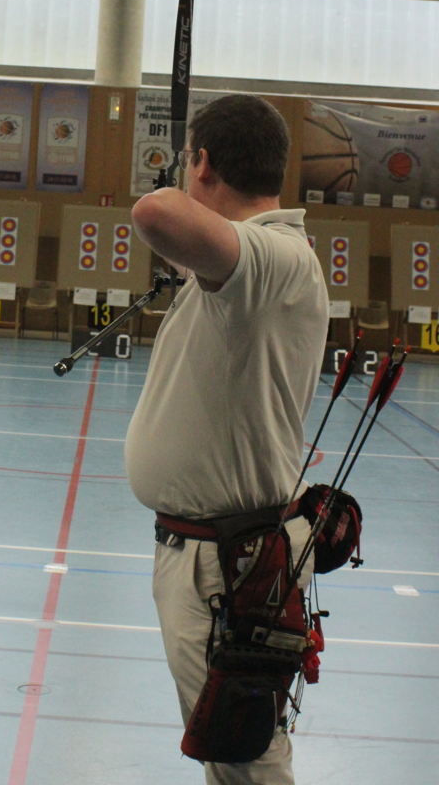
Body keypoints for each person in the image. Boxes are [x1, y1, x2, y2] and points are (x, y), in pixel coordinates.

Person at [125, 94, 329, 785]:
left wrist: (180, 190)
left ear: (203, 162)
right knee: (230, 751)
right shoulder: (255, 270)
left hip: (226, 562)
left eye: (191, 162)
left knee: (245, 757)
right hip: (215, 555)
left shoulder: (275, 256)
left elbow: (156, 213)